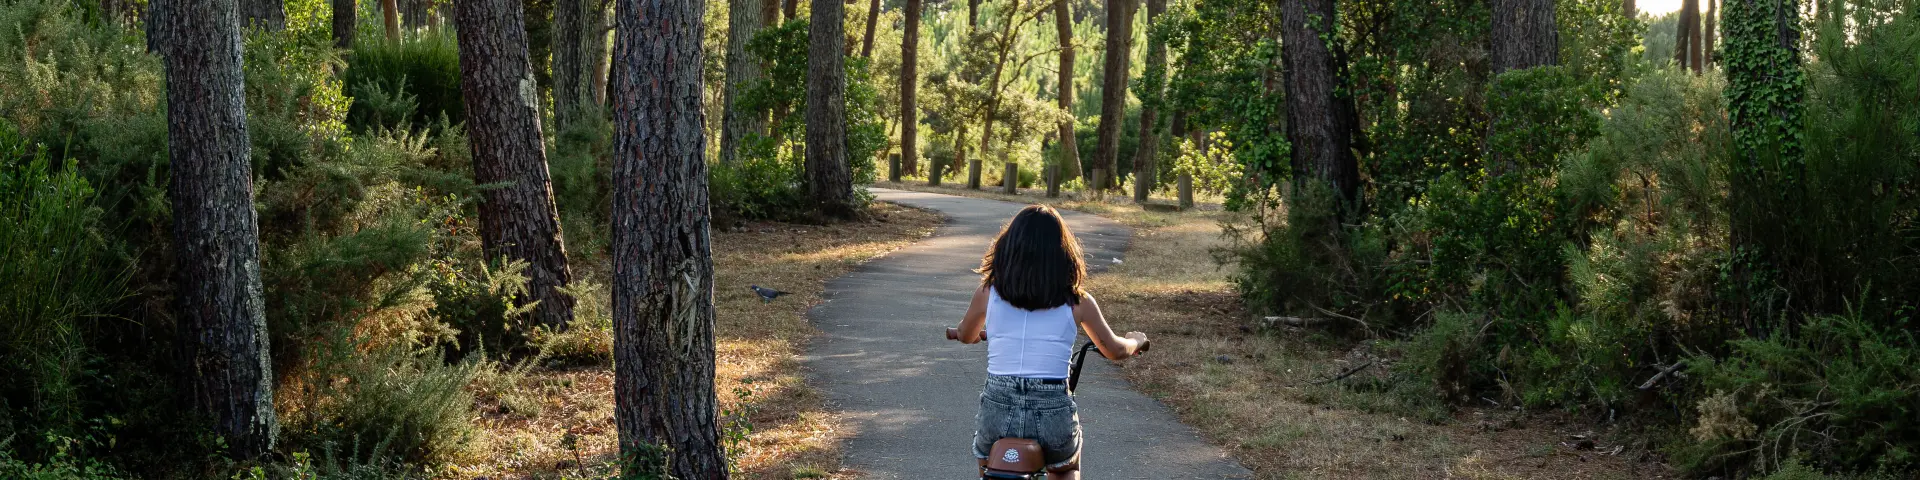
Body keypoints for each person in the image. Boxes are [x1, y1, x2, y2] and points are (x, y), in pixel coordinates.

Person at [949, 205, 1149, 480]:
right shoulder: (1078, 301)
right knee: (1066, 467)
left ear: (1008, 249)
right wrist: (1135, 341)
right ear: (1063, 254)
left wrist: (963, 332)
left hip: (998, 406)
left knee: (990, 464)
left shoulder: (988, 292)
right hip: (1052, 407)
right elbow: (1114, 350)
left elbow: (966, 334)